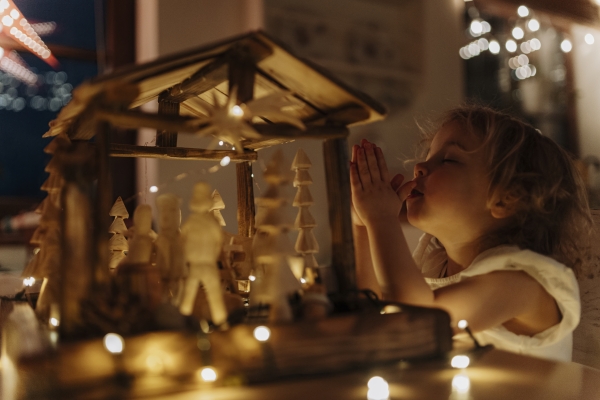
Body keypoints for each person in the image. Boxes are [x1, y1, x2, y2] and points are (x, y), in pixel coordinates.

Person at [350, 105, 592, 362]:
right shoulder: (434, 267)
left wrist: (381, 218)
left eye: (449, 159)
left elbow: (416, 325)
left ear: (505, 199)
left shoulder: (521, 283)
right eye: (429, 154)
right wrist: (363, 225)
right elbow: (373, 313)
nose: (420, 166)